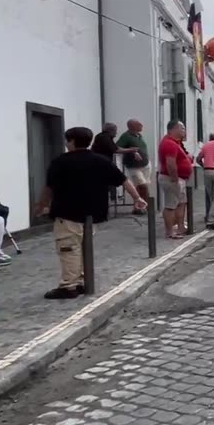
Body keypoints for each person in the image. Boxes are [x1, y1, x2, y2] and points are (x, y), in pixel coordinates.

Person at [36, 127, 146, 299]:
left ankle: (69, 286)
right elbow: (123, 180)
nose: (66, 143)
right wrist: (137, 198)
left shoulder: (60, 162)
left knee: (68, 247)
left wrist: (41, 206)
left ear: (71, 141)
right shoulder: (101, 160)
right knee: (82, 247)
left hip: (68, 212)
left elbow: (49, 188)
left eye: (67, 140)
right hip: (93, 213)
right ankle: (79, 280)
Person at [158, 121, 192, 239]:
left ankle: (180, 227)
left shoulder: (176, 143)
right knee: (171, 205)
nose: (184, 130)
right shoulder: (169, 143)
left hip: (180, 178)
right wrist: (175, 179)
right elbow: (170, 163)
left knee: (181, 203)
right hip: (172, 179)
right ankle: (170, 232)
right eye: (182, 128)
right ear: (173, 129)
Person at [115, 119, 150, 212]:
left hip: (144, 165)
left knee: (140, 186)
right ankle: (146, 206)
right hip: (133, 166)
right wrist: (131, 150)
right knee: (143, 186)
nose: (141, 125)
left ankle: (138, 207)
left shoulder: (138, 135)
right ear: (131, 126)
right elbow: (116, 148)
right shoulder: (126, 136)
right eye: (138, 124)